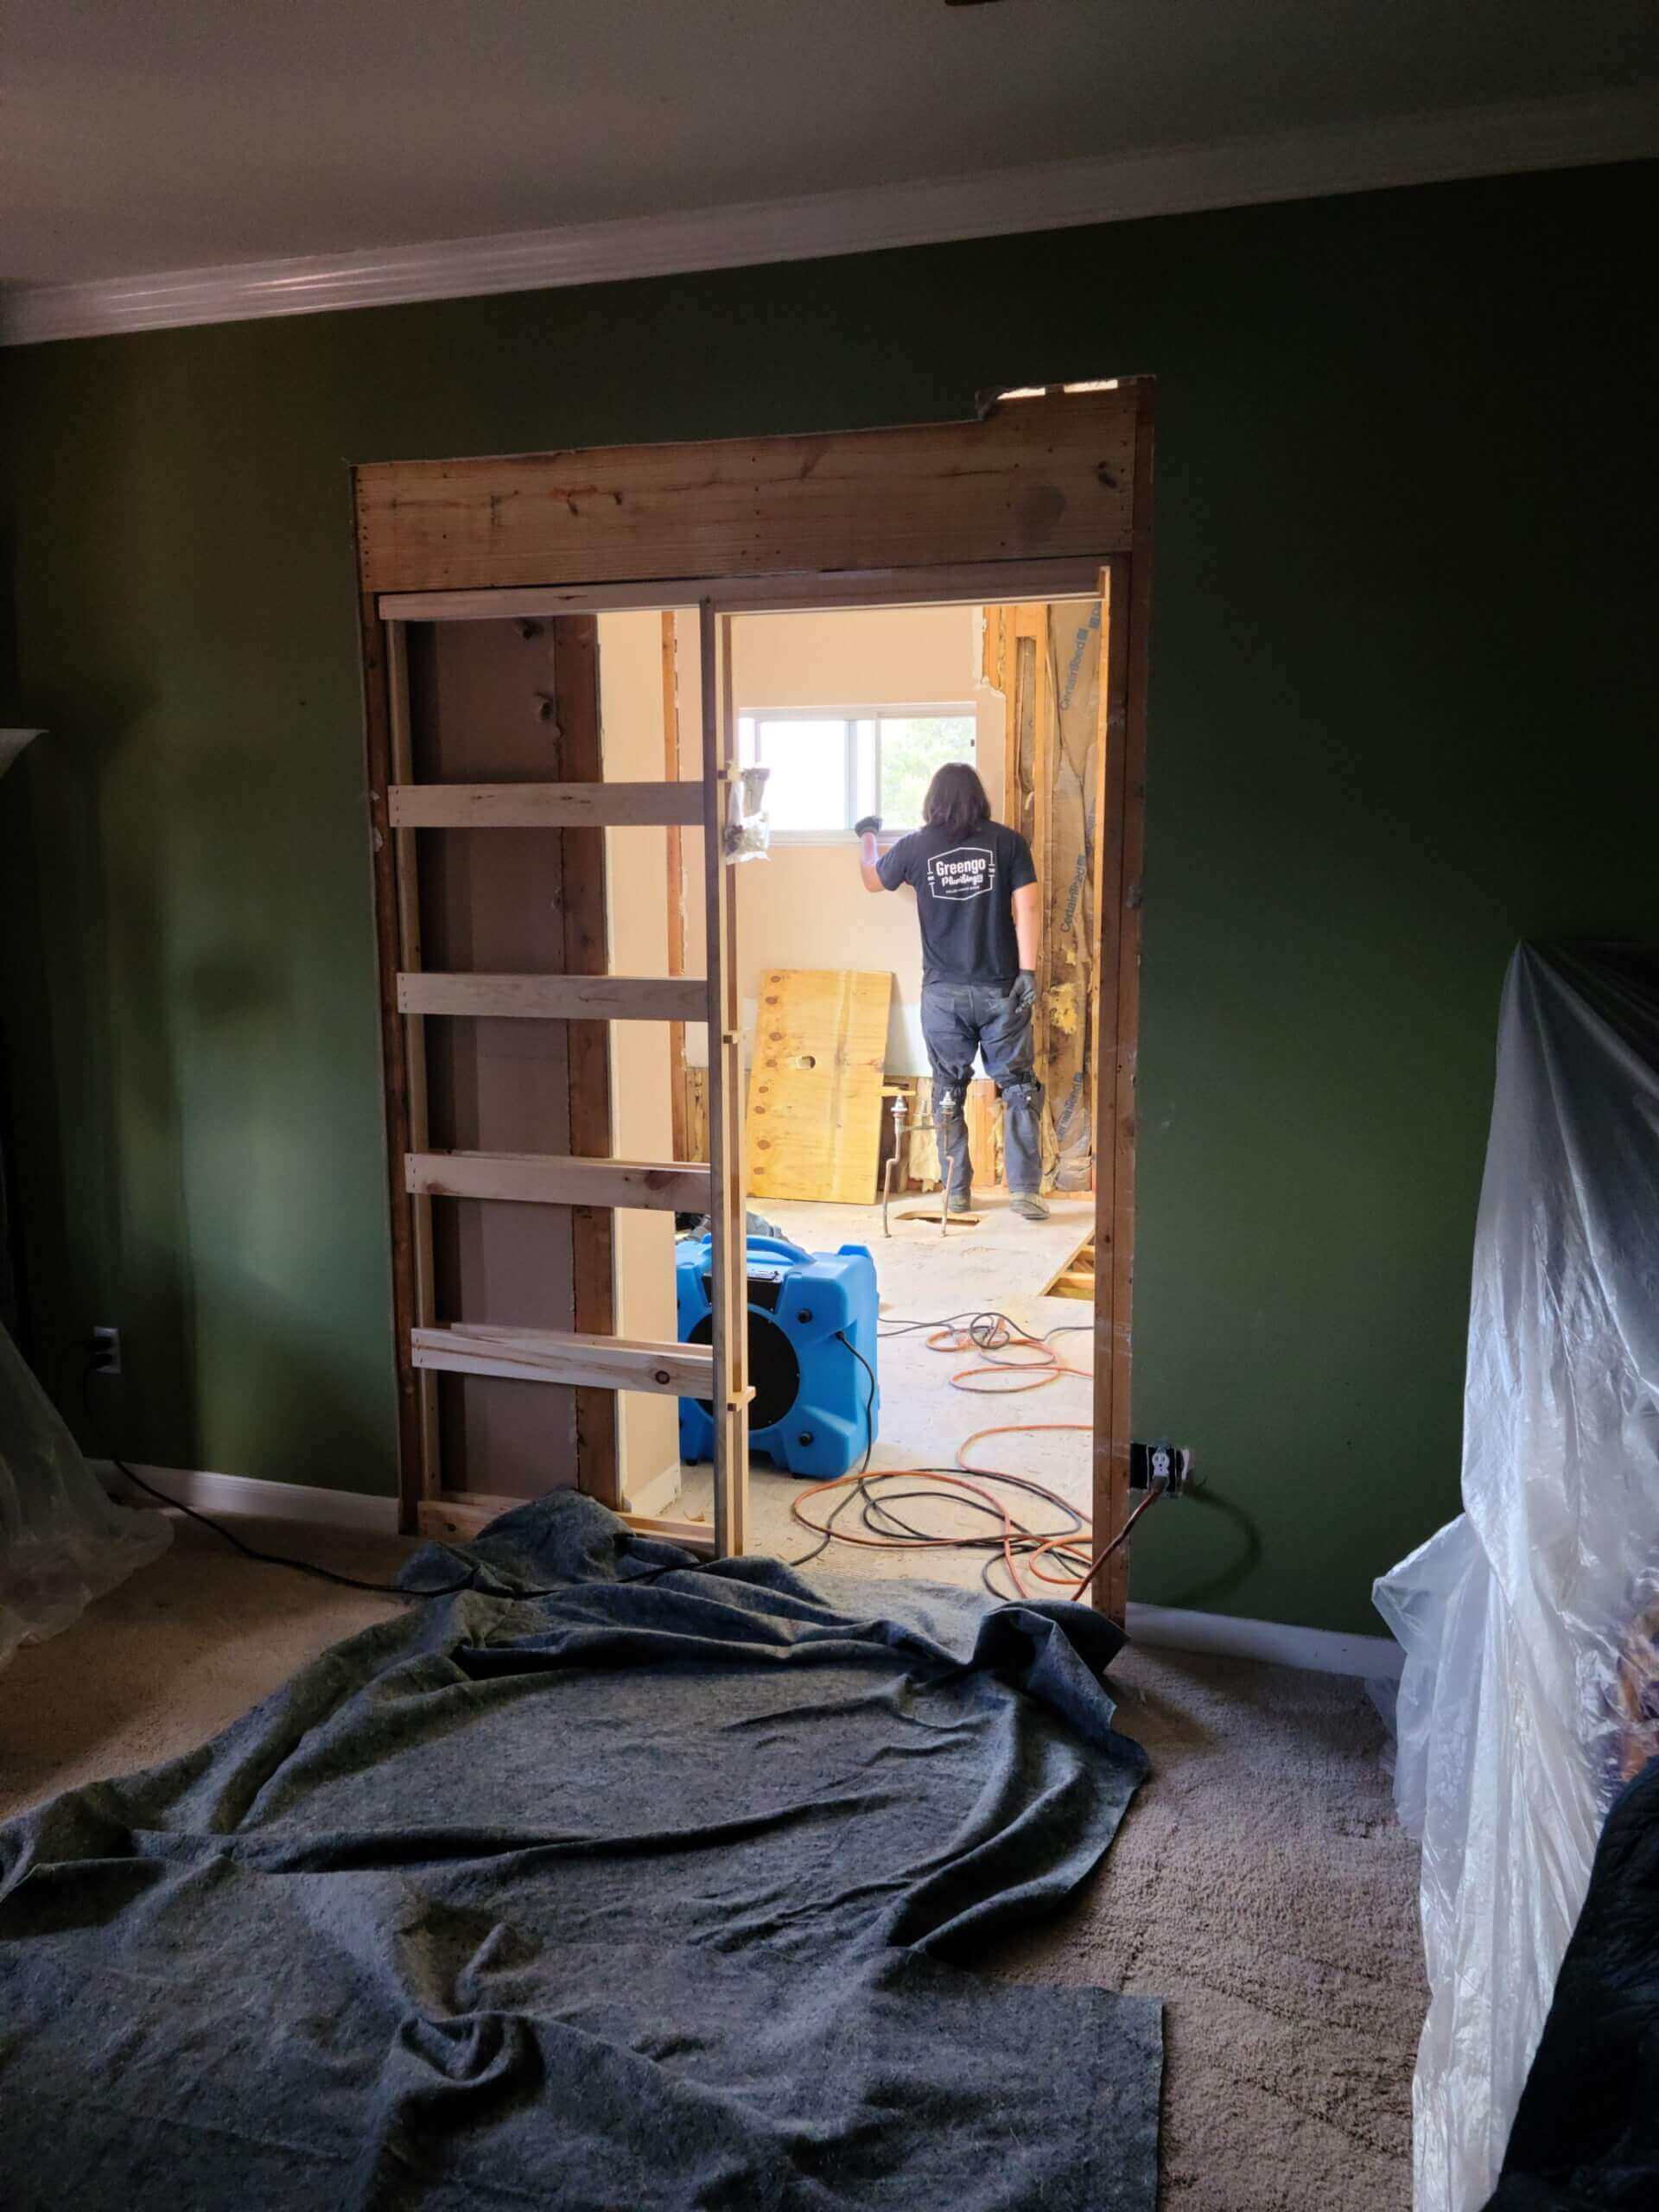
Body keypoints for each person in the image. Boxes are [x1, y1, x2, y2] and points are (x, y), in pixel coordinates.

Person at [857, 762, 1047, 1220]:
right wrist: (1029, 972)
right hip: (1001, 986)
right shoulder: (1007, 842)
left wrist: (866, 835)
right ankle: (1024, 1192)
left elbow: (871, 880)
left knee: (948, 1091)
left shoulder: (917, 846)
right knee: (1018, 1087)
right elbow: (1029, 906)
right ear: (979, 798)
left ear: (932, 800)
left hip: (942, 994)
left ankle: (956, 1191)